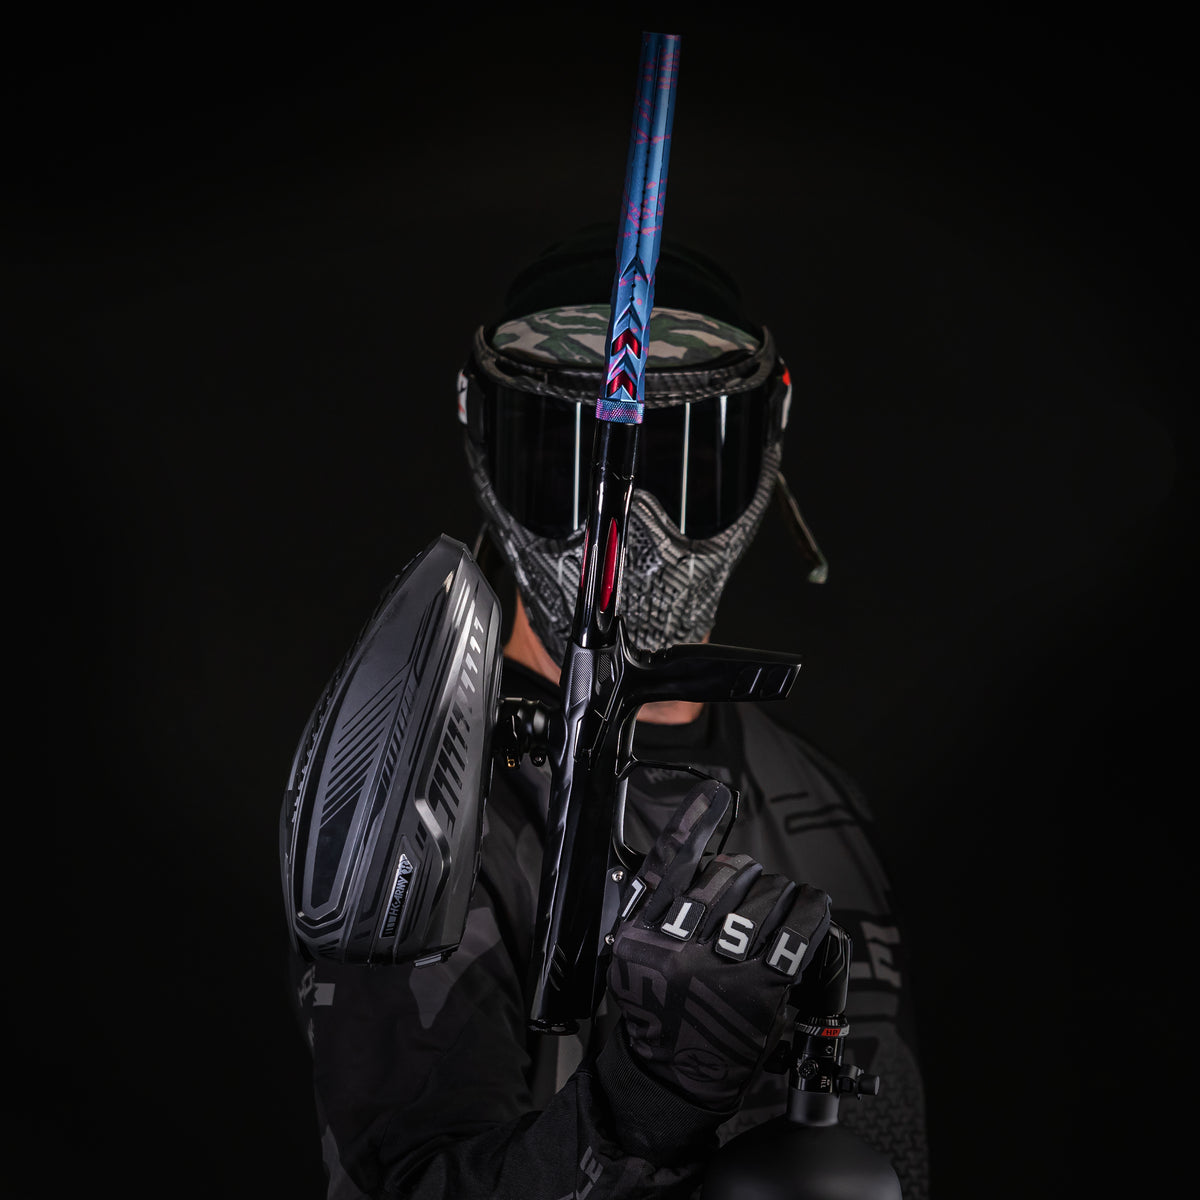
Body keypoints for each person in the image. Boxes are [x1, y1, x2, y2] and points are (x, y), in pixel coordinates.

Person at [286, 226, 931, 1198]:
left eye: (683, 463)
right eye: (563, 462)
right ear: (484, 444)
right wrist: (638, 1108)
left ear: (767, 444)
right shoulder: (414, 811)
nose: (622, 535)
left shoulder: (819, 801)